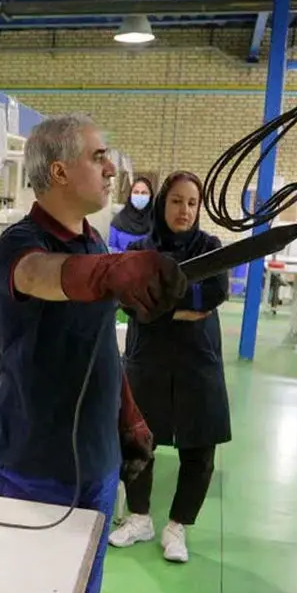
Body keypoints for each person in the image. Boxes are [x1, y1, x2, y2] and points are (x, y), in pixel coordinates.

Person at [0, 113, 186, 593]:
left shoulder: (96, 243)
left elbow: (104, 347)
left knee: (83, 591)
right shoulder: (18, 245)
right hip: (36, 458)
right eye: (100, 156)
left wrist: (128, 415)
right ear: (59, 170)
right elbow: (43, 279)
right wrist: (112, 276)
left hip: (97, 460)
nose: (112, 168)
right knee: (27, 591)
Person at [108, 171, 231, 564]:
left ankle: (178, 527)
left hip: (198, 361)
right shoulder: (142, 249)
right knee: (138, 440)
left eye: (192, 203)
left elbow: (215, 293)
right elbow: (131, 301)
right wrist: (181, 306)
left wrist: (161, 303)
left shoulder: (210, 248)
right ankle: (140, 518)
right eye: (177, 201)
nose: (185, 210)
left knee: (199, 447)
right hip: (149, 360)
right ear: (163, 203)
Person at [108, 176, 154, 252]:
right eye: (136, 192)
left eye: (144, 193)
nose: (140, 196)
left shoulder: (157, 221)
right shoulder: (118, 220)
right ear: (130, 195)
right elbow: (110, 248)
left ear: (150, 196)